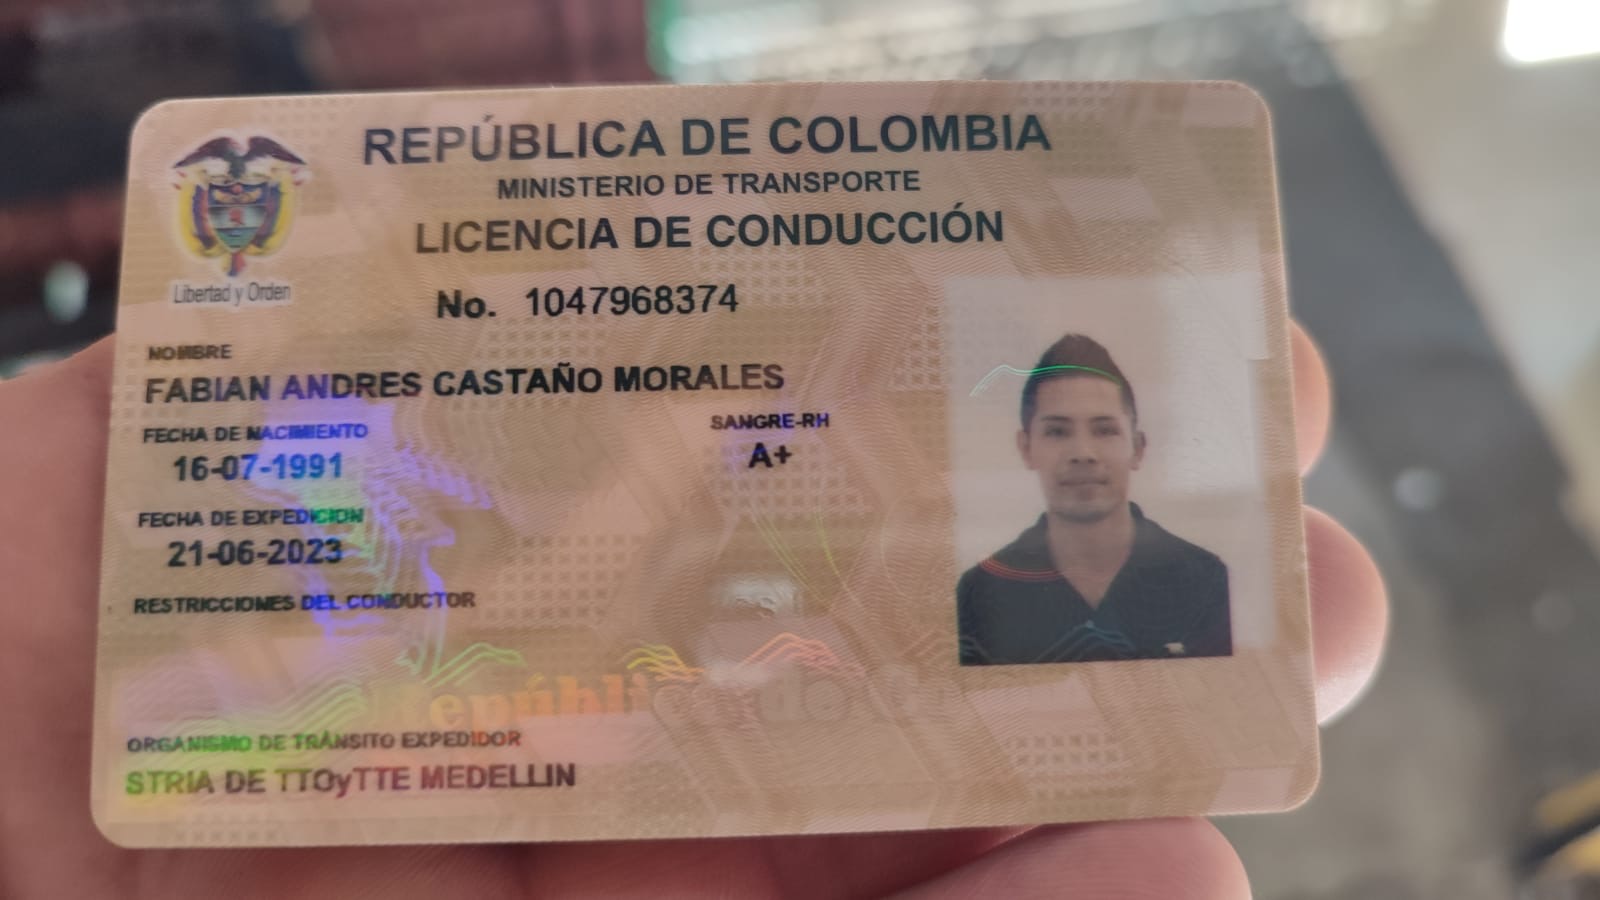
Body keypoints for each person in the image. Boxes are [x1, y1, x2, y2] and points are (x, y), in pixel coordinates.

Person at [958, 334, 1231, 665]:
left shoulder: (1204, 581)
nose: (1083, 453)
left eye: (1104, 430)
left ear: (1138, 448)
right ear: (1026, 448)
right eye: (1058, 431)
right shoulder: (980, 594)